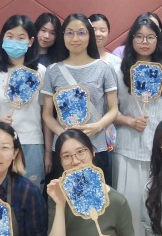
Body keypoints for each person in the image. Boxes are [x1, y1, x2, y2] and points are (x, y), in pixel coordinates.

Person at [112, 14, 162, 236]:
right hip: (127, 150)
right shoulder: (119, 71)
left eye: (150, 37)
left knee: (157, 213)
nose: (144, 41)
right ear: (131, 39)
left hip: (158, 153)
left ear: (158, 40)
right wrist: (129, 121)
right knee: (131, 214)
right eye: (139, 36)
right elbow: (111, 111)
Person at [41, 13, 120, 186]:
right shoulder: (52, 71)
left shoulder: (104, 69)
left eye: (81, 33)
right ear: (63, 36)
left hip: (96, 146)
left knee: (99, 196)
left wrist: (98, 126)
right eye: (69, 33)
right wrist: (64, 134)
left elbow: (113, 109)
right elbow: (46, 114)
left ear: (89, 35)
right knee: (65, 196)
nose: (75, 38)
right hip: (64, 150)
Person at [0, 15, 47, 186]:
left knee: (29, 196)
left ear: (31, 41)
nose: (14, 41)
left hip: (31, 144)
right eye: (9, 36)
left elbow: (46, 115)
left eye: (21, 37)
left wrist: (48, 152)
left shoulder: (41, 72)